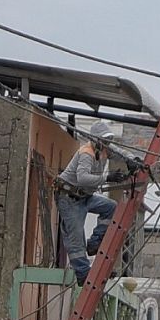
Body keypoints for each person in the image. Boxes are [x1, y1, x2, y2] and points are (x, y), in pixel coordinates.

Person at [56, 119, 120, 282]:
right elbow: (83, 178)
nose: (107, 144)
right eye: (105, 140)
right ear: (96, 140)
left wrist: (134, 162)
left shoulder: (105, 151)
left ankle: (95, 242)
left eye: (109, 140)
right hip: (69, 198)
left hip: (85, 197)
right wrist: (107, 177)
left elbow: (121, 153)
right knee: (76, 234)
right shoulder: (87, 153)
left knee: (110, 208)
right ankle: (83, 273)